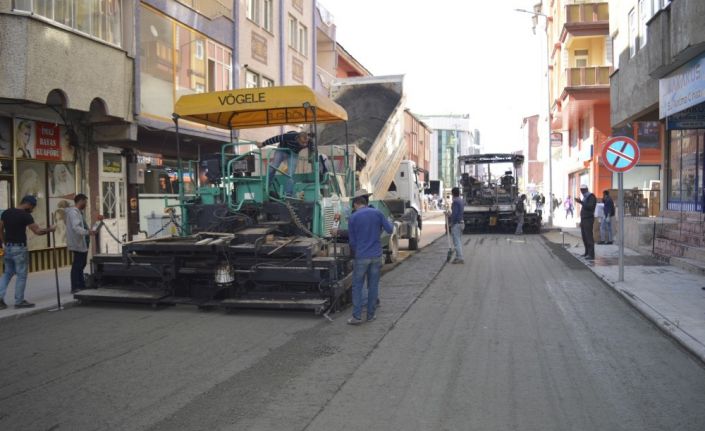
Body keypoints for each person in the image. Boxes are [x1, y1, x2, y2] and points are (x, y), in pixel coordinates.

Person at [347, 189, 393, 325]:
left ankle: (357, 317)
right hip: (376, 255)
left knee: (357, 286)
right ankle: (371, 316)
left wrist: (357, 252)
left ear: (356, 204)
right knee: (373, 286)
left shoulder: (353, 217)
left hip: (361, 256)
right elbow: (390, 229)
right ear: (365, 202)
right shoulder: (378, 213)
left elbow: (352, 242)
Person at [0, 196, 55, 309]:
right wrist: (50, 229)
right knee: (21, 275)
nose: (32, 209)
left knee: (7, 273)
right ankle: (19, 301)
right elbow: (38, 231)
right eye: (32, 206)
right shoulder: (26, 216)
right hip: (20, 249)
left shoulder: (6, 212)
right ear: (28, 204)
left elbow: (0, 229)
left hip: (8, 248)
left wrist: (5, 243)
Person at [257, 131, 311, 197]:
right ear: (297, 138)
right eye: (302, 142)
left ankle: (288, 194)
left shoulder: (309, 141)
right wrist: (263, 144)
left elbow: (313, 148)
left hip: (293, 153)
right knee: (274, 166)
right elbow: (275, 138)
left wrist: (311, 156)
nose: (304, 144)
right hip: (282, 150)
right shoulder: (289, 136)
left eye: (306, 142)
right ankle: (266, 187)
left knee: (290, 173)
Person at [65, 194, 97, 293]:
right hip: (77, 243)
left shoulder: (78, 212)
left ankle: (81, 284)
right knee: (77, 265)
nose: (86, 204)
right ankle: (75, 287)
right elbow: (76, 227)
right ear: (81, 201)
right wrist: (88, 232)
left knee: (81, 264)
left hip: (81, 242)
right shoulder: (74, 213)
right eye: (85, 202)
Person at [575, 184, 597, 259]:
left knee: (589, 237)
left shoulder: (591, 196)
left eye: (583, 190)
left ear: (586, 189)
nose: (581, 191)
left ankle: (591, 255)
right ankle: (587, 252)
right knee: (584, 237)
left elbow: (590, 207)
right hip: (584, 219)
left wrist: (581, 202)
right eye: (581, 190)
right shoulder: (585, 197)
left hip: (588, 219)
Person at [449, 187, 464, 264]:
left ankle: (459, 257)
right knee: (458, 240)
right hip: (461, 222)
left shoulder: (455, 201)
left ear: (453, 194)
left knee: (456, 241)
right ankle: (459, 256)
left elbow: (454, 214)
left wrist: (451, 222)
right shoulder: (461, 200)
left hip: (457, 223)